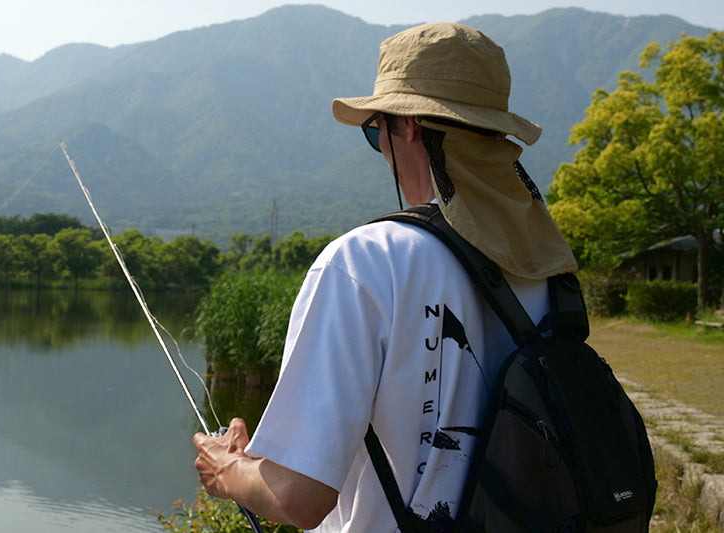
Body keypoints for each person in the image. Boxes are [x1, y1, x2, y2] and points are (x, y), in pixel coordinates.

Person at [193, 22, 578, 532]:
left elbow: (299, 498)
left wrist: (227, 468)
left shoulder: (364, 263)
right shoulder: (549, 267)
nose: (381, 150)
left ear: (410, 126)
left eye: (377, 130)